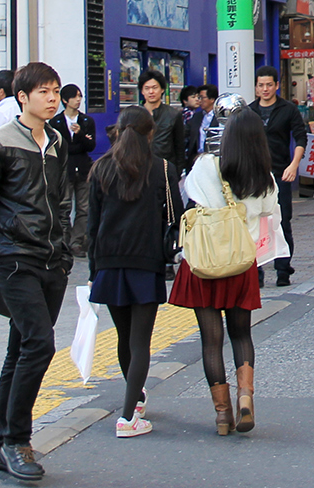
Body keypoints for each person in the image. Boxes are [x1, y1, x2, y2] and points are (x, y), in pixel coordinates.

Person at [0, 63, 74, 483]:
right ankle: (16, 441)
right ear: (21, 97)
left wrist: (63, 254)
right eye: (43, 91)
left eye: (56, 91)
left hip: (51, 262)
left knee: (21, 350)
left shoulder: (58, 141)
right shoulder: (0, 143)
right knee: (40, 345)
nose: (51, 98)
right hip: (13, 260)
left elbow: (61, 201)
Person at [172, 103, 284, 434]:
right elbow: (269, 210)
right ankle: (245, 396)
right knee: (241, 334)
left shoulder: (206, 164)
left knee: (211, 340)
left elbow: (189, 195)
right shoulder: (263, 174)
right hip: (240, 261)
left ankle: (222, 415)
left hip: (205, 261)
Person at [85, 106, 182, 438]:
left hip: (108, 264)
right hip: (146, 262)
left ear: (118, 130)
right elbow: (177, 218)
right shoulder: (162, 169)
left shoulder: (100, 169)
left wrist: (92, 269)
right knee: (141, 341)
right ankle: (128, 417)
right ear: (150, 132)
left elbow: (91, 226)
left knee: (124, 339)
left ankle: (135, 399)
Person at [246, 67, 307, 287]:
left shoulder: (288, 109)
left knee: (282, 222)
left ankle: (283, 270)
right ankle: (257, 271)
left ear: (276, 85)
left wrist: (294, 165)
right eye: (261, 85)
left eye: (269, 85)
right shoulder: (248, 112)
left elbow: (301, 138)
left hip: (281, 173)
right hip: (254, 176)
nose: (265, 89)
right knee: (254, 222)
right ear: (256, 87)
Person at [54, 86, 97, 261]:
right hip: (65, 168)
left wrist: (80, 135)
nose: (78, 100)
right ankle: (64, 240)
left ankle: (77, 241)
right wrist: (79, 143)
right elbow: (60, 146)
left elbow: (90, 146)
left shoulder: (87, 121)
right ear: (65, 100)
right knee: (64, 206)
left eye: (80, 96)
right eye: (75, 97)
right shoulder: (55, 122)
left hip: (84, 167)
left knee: (83, 207)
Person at [141, 72, 186, 177]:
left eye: (154, 87)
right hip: (139, 169)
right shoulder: (134, 114)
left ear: (162, 89)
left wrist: (177, 172)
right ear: (142, 91)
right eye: (147, 88)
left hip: (165, 169)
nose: (151, 92)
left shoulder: (173, 115)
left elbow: (179, 147)